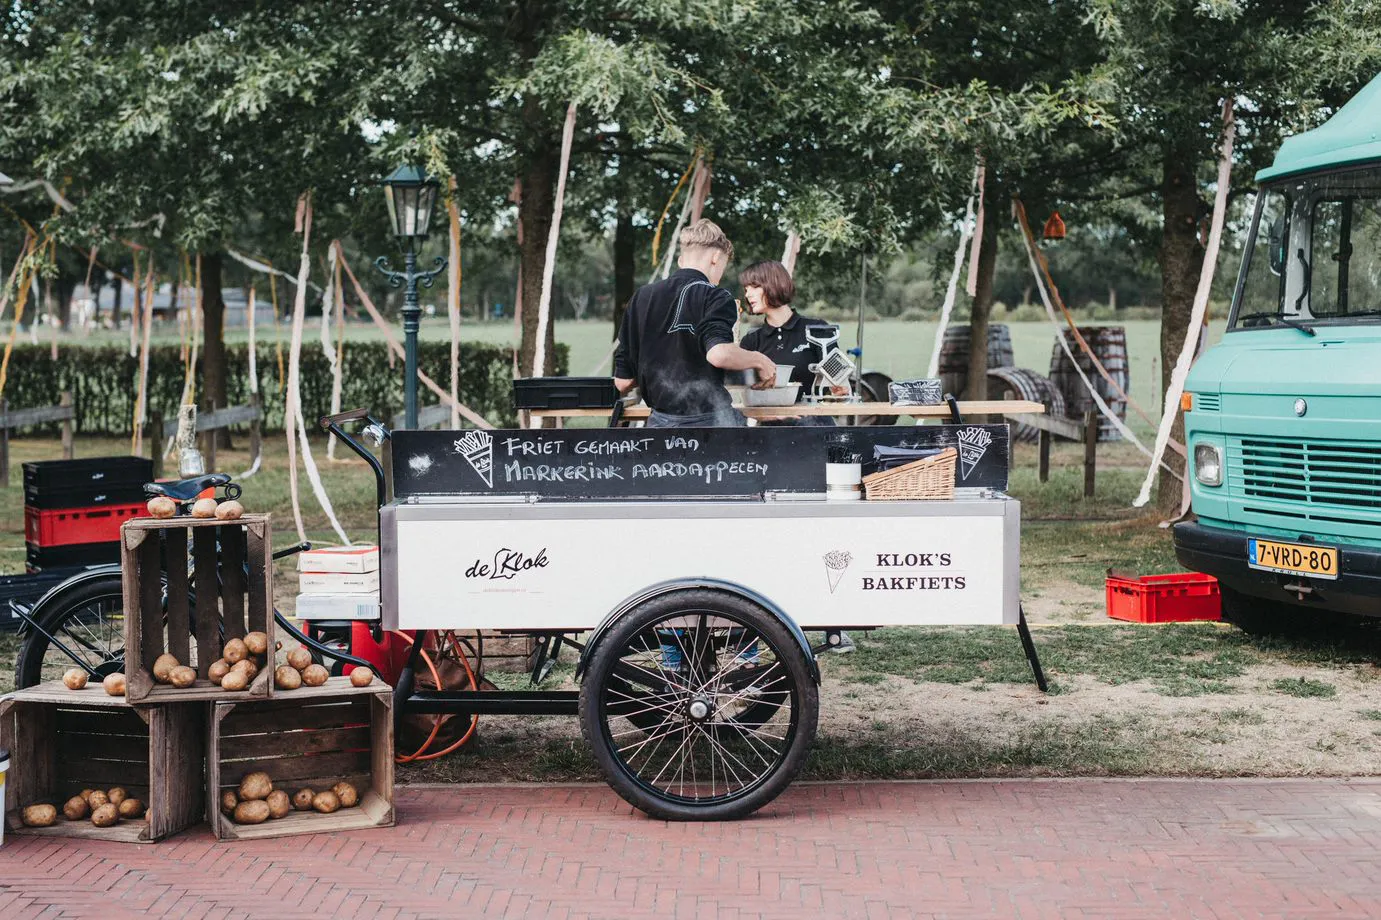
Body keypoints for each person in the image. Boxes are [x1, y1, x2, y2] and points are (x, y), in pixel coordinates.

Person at [614, 219, 776, 427]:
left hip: (659, 425)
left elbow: (623, 382)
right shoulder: (715, 296)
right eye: (723, 267)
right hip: (711, 427)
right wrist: (759, 360)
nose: (719, 277)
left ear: (682, 260)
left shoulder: (641, 297)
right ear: (716, 257)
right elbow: (719, 354)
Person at [738, 259, 845, 426]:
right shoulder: (751, 340)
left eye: (754, 286)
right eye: (746, 289)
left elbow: (839, 380)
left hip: (816, 429)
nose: (747, 294)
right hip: (770, 437)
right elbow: (744, 396)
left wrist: (839, 389)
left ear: (774, 284)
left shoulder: (818, 329)